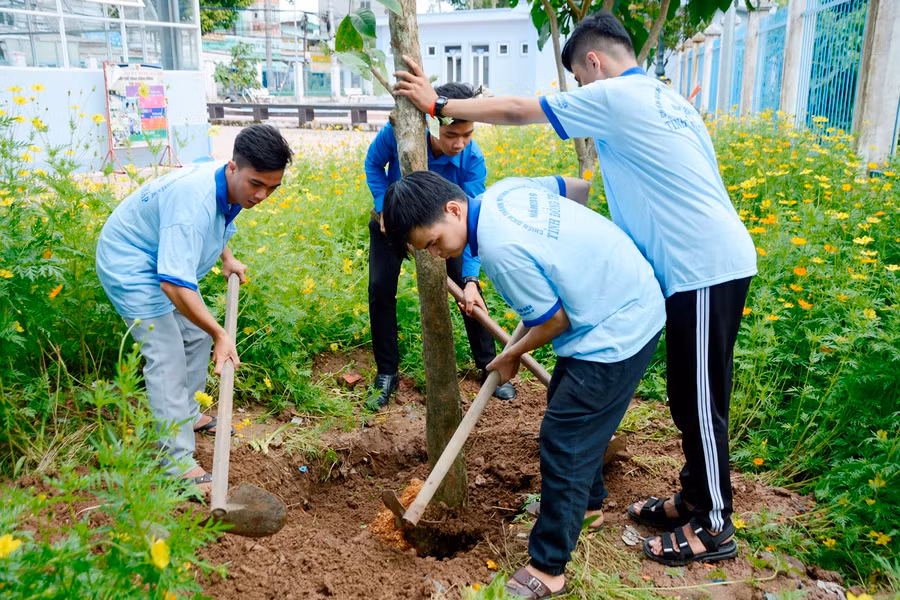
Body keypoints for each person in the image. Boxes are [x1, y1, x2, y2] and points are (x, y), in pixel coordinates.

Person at [393, 10, 756, 568]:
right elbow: (581, 194)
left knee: (702, 403)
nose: (583, 96)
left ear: (593, 62)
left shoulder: (617, 96)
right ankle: (694, 498)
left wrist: (440, 106)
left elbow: (519, 109)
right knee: (687, 395)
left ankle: (714, 526)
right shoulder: (668, 100)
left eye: (582, 84)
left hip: (701, 266)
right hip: (689, 266)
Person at [382, 171, 666, 598]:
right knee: (565, 401)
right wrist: (568, 250)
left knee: (565, 436)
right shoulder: (507, 191)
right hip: (620, 294)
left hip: (618, 325)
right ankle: (587, 509)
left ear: (453, 209)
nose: (437, 255)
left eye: (433, 243)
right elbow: (576, 189)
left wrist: (511, 355)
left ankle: (549, 567)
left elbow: (554, 320)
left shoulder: (501, 251)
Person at [95, 124, 293, 494]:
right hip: (130, 260)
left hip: (159, 253)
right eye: (256, 184)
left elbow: (214, 224)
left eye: (272, 187)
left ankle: (185, 413)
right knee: (166, 354)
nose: (263, 195)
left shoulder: (225, 181)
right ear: (234, 168)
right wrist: (221, 333)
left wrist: (227, 258)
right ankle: (175, 463)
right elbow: (173, 281)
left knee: (198, 333)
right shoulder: (193, 203)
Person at [364, 81, 515, 408]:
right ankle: (386, 373)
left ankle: (488, 364)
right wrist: (381, 207)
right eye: (451, 136)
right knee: (379, 290)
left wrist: (472, 279)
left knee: (468, 289)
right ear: (433, 126)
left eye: (468, 135)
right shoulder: (400, 133)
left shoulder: (473, 161)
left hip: (443, 232)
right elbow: (373, 164)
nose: (460, 144)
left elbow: (473, 225)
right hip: (393, 224)